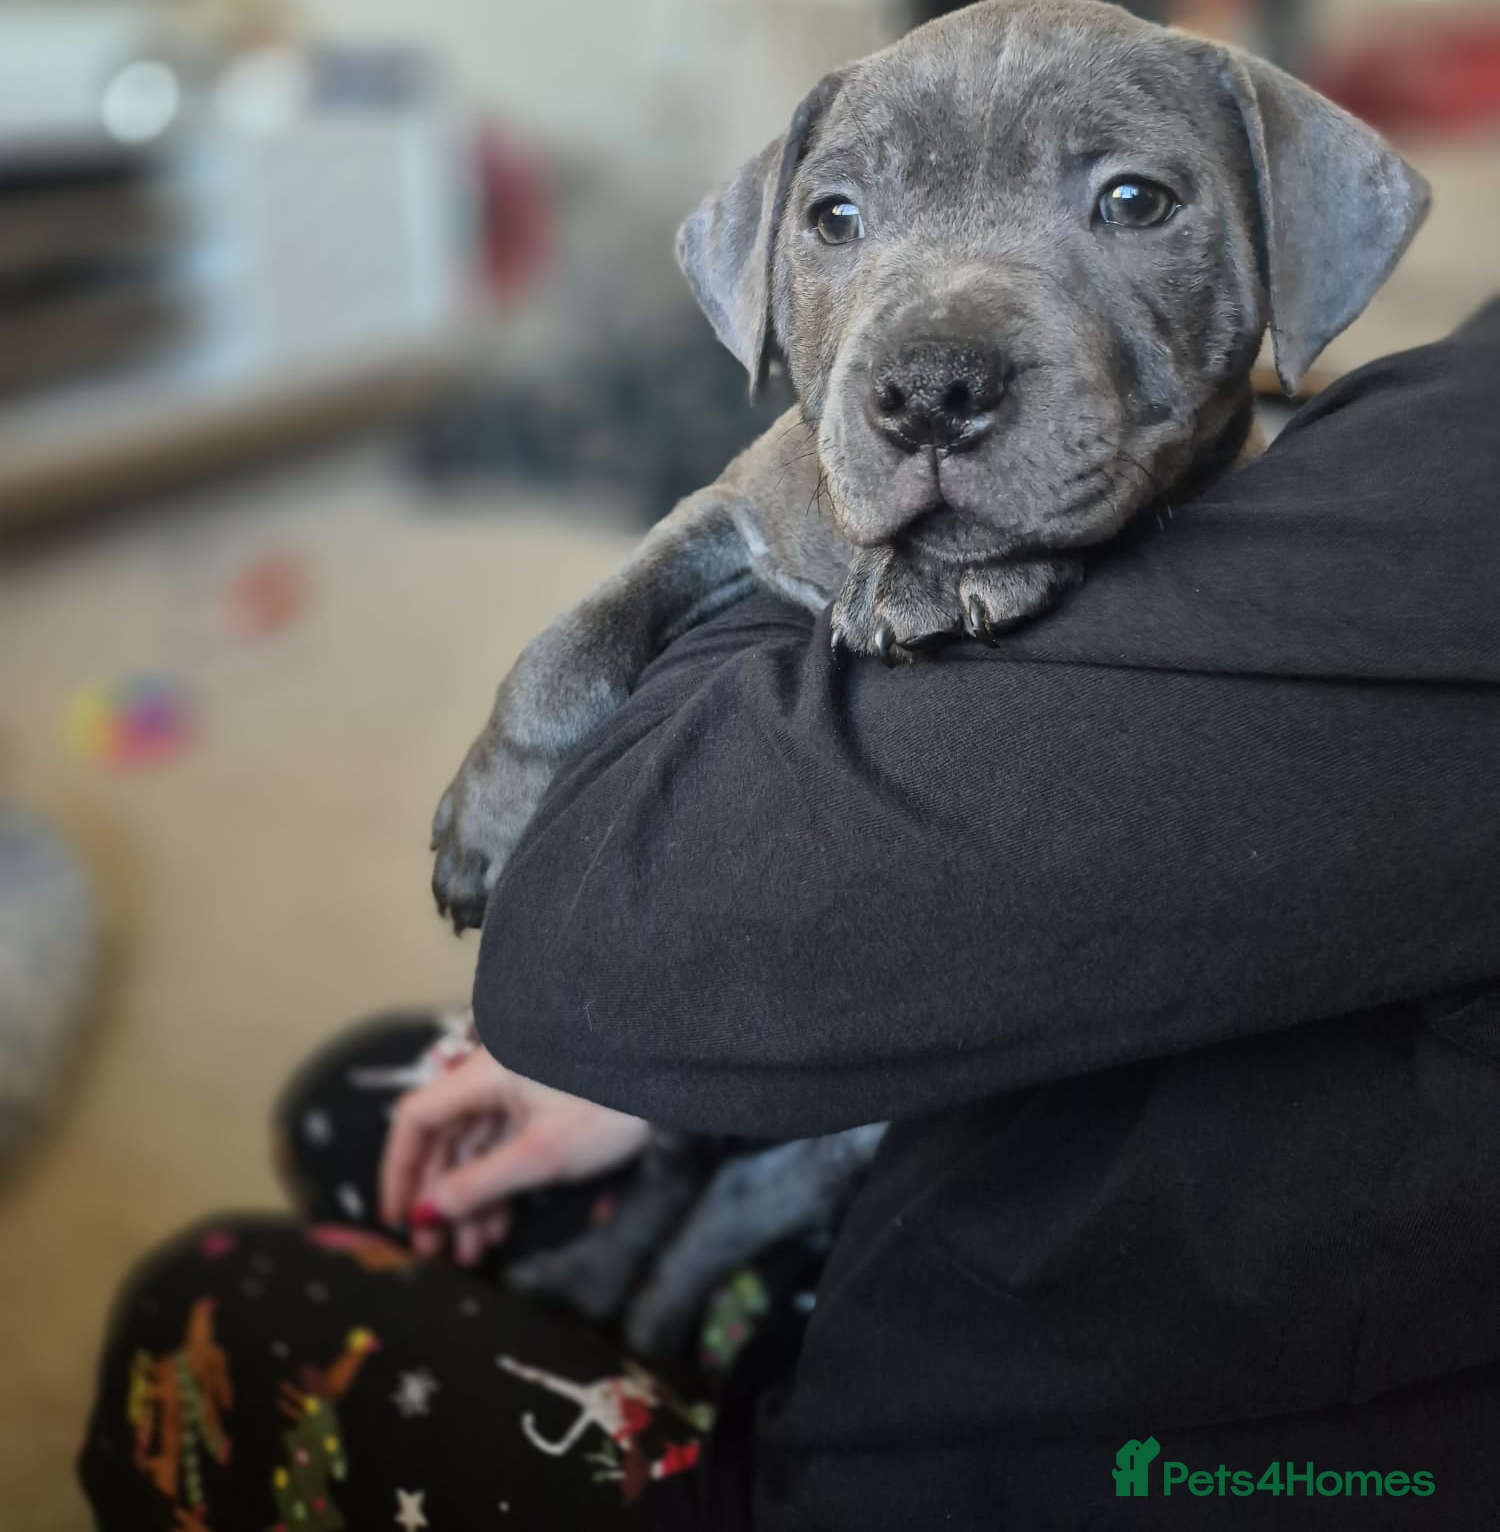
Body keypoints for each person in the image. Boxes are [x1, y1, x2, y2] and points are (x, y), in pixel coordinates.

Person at [80, 303, 1500, 1530]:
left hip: (1014, 1453)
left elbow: (583, 935)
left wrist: (800, 484)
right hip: (1042, 1200)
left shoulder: (1451, 495)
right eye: (837, 223)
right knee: (372, 1101)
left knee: (195, 1313)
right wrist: (677, 1078)